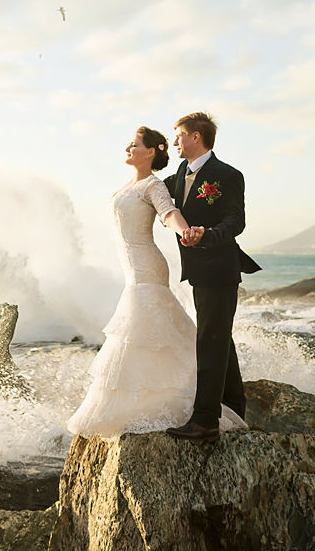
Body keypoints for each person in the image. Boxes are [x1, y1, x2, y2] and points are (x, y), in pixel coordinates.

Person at [66, 126, 247, 438]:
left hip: (148, 268)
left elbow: (169, 212)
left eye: (133, 144)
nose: (127, 148)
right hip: (133, 268)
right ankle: (202, 398)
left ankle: (204, 411)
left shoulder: (154, 185)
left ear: (150, 151)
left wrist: (187, 232)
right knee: (188, 335)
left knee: (147, 332)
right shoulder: (161, 180)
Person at [163, 112, 261, 443]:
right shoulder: (179, 173)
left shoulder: (228, 175)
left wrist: (207, 235)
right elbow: (157, 196)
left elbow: (236, 221)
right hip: (198, 272)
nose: (174, 141)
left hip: (220, 268)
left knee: (209, 340)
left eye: (178, 135)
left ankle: (205, 421)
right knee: (218, 336)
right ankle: (234, 405)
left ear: (195, 137)